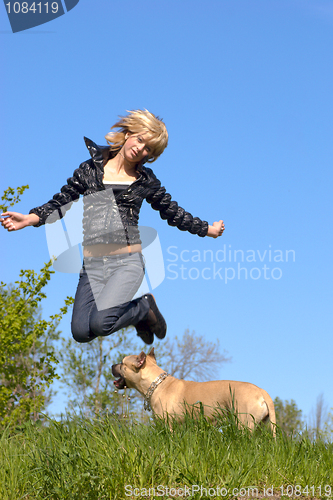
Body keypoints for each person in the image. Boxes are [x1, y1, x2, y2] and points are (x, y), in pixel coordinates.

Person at [1, 110, 225, 345]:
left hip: (127, 261)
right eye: (140, 139)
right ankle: (141, 312)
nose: (140, 148)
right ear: (128, 133)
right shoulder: (91, 169)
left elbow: (173, 212)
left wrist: (207, 229)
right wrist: (30, 218)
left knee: (101, 323)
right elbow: (62, 201)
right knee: (81, 332)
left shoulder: (145, 180)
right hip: (93, 264)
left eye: (148, 148)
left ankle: (144, 307)